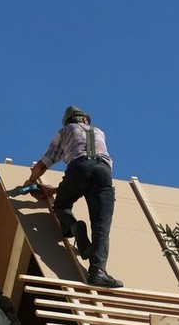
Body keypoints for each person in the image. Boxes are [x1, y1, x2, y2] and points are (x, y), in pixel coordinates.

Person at [23, 105, 123, 288]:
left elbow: (45, 163)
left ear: (69, 121)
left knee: (62, 206)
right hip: (103, 173)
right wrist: (53, 189)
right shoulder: (99, 132)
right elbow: (92, 171)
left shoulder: (65, 131)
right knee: (102, 227)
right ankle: (98, 272)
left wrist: (31, 180)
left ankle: (73, 226)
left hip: (79, 168)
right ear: (85, 119)